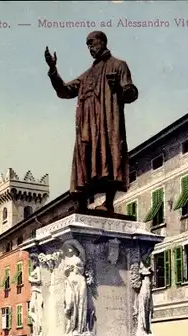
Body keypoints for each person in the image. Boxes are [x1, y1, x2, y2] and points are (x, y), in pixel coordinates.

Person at [45, 31, 138, 213]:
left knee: (109, 158)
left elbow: (131, 93)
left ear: (103, 42)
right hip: (87, 128)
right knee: (85, 161)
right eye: (88, 46)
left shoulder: (119, 66)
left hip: (107, 124)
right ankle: (81, 203)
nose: (90, 48)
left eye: (92, 44)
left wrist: (118, 88)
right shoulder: (86, 75)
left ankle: (108, 203)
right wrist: (53, 71)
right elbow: (64, 91)